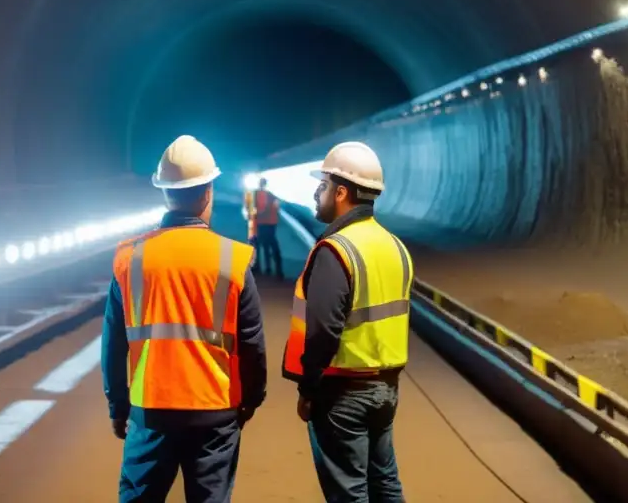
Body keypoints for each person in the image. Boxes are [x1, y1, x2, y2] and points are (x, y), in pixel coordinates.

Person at [102, 135, 268, 503]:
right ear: (208, 192)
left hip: (150, 412)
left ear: (165, 193)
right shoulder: (231, 258)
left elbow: (113, 343)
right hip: (214, 411)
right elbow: (253, 342)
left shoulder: (132, 258)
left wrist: (118, 407)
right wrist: (252, 399)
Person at [281, 141, 413, 503]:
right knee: (384, 483)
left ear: (341, 192)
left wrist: (308, 389)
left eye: (322, 185)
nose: (316, 193)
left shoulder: (336, 249)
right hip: (386, 388)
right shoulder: (394, 246)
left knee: (349, 493)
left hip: (342, 393)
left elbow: (323, 330)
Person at [249, 177, 282, 279]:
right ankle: (272, 269)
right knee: (268, 246)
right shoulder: (270, 195)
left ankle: (260, 268)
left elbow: (260, 209)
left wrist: (258, 214)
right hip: (269, 224)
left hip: (262, 224)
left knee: (259, 245)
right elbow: (275, 209)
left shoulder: (259, 194)